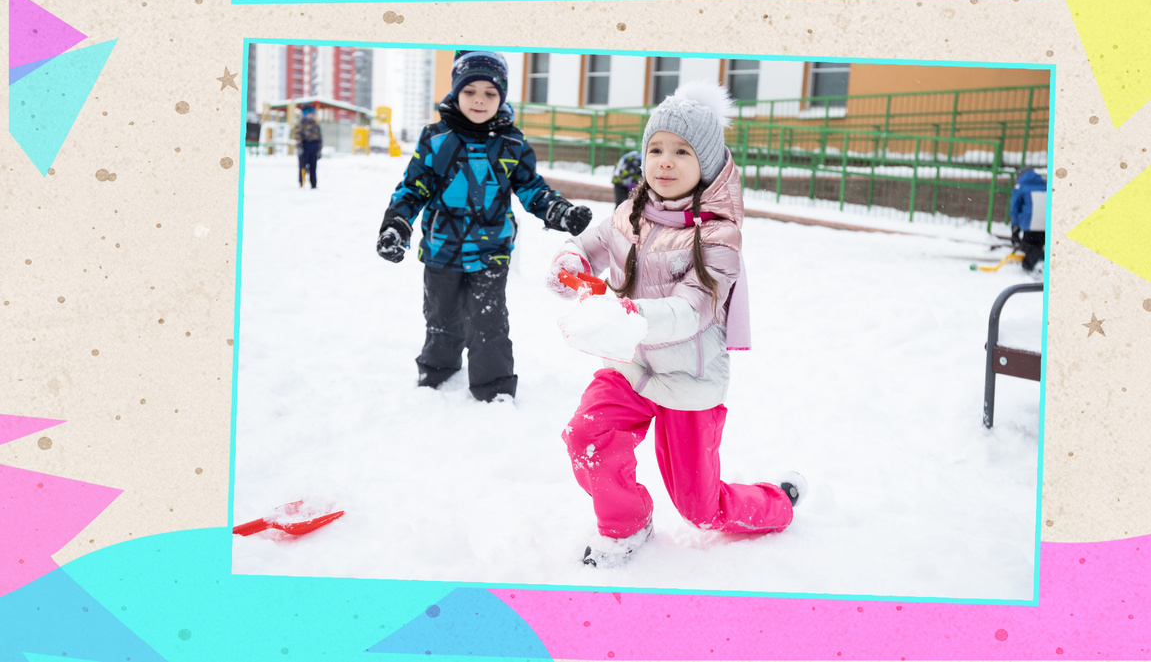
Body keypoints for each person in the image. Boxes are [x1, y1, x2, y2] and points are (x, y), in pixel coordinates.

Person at [551, 82, 799, 569]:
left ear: (707, 163)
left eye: (681, 151)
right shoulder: (630, 215)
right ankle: (626, 524)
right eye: (656, 149)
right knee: (587, 435)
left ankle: (779, 502)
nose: (664, 161)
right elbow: (588, 245)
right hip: (629, 368)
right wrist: (568, 262)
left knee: (701, 510)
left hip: (689, 380)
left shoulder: (718, 236)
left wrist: (631, 315)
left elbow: (693, 308)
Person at [376, 52, 593, 403]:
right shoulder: (435, 138)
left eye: (490, 93)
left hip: (491, 251)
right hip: (441, 248)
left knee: (489, 322)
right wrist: (396, 226)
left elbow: (532, 188)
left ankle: (494, 391)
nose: (480, 100)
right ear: (456, 93)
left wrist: (560, 212)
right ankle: (438, 374)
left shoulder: (512, 143)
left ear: (501, 98)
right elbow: (413, 188)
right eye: (471, 91)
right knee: (441, 317)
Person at [295, 106, 322, 188]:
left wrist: (320, 149)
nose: (311, 116)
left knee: (313, 166)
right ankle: (302, 182)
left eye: (312, 114)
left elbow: (320, 138)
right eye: (309, 114)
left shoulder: (316, 125)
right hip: (304, 146)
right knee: (302, 166)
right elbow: (297, 136)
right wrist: (299, 147)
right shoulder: (301, 124)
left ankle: (313, 184)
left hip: (314, 146)